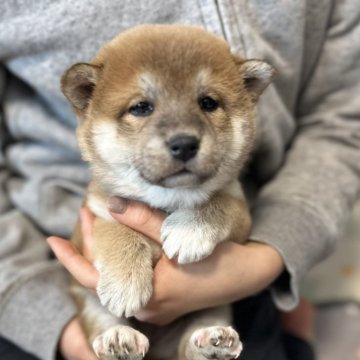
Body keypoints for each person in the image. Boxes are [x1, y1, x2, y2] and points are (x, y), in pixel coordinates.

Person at [0, 1, 359, 359]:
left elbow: (341, 120)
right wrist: (54, 323)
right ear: (86, 96)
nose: (183, 135)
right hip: (44, 275)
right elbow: (103, 229)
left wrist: (267, 261)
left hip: (242, 273)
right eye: (141, 107)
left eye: (208, 103)